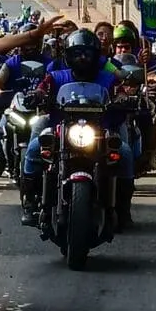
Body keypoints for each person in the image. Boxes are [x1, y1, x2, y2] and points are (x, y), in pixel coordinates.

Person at [21, 29, 135, 228]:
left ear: (96, 55)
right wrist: (36, 95)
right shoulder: (55, 77)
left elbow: (120, 92)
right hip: (62, 131)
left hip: (99, 132)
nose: (82, 58)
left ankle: (123, 208)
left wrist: (124, 98)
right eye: (76, 53)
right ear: (68, 55)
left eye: (87, 53)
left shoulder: (108, 78)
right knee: (33, 148)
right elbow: (42, 88)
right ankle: (30, 203)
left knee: (124, 152)